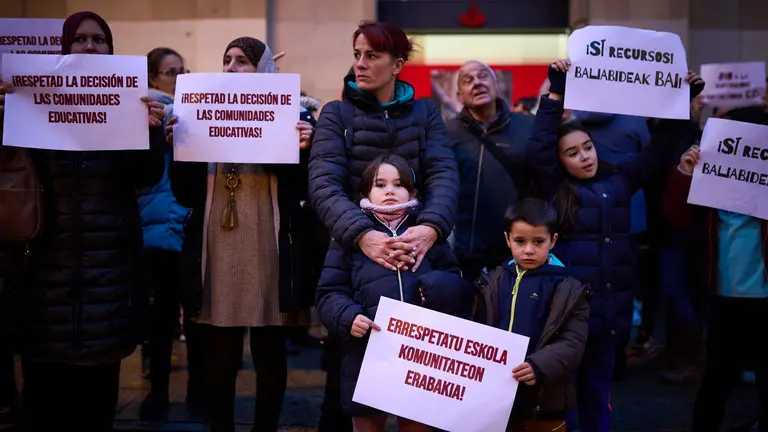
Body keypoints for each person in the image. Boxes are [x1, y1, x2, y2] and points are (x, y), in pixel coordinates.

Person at [0, 11, 166, 432]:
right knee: (42, 407)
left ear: (111, 49)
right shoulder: (29, 105)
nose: (89, 48)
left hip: (105, 283)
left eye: (99, 40)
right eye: (80, 40)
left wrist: (145, 134)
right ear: (64, 48)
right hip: (42, 279)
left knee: (95, 408)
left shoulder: (127, 105)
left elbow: (144, 179)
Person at [532, 59, 704, 432]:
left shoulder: (620, 182)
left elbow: (659, 151)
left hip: (610, 316)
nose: (585, 156)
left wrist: (681, 103)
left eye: (588, 147)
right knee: (565, 399)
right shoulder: (556, 190)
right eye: (573, 152)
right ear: (559, 161)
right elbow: (539, 147)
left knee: (599, 394)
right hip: (567, 319)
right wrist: (556, 93)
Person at [166, 36, 315, 432]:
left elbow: (301, 187)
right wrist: (179, 152)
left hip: (269, 241)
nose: (232, 68)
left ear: (263, 69)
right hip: (217, 242)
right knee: (219, 351)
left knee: (269, 350)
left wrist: (299, 147)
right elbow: (186, 195)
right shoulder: (200, 116)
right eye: (227, 60)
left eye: (243, 61)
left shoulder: (295, 116)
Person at [316, 155, 471, 432]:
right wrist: (350, 317)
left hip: (421, 360)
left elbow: (458, 286)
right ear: (366, 192)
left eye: (398, 184)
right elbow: (329, 293)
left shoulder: (427, 234)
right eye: (380, 184)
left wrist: (435, 288)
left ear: (412, 192)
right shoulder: (348, 238)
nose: (390, 190)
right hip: (365, 357)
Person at [308, 21, 459, 276]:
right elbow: (324, 184)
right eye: (357, 55)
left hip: (417, 243)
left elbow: (443, 175)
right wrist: (362, 234)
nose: (360, 63)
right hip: (353, 247)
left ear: (397, 65)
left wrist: (431, 227)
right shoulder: (336, 114)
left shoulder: (425, 113)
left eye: (372, 56)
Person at [663, 106, 768, 432]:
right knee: (717, 377)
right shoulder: (710, 181)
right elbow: (675, 216)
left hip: (764, 297)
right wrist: (685, 171)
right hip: (722, 297)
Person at [474, 198, 589, 432]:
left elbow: (573, 341)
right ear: (507, 239)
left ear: (553, 240)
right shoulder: (492, 281)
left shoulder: (568, 288)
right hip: (494, 396)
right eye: (520, 241)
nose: (529, 250)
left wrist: (538, 365)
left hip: (544, 397)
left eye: (538, 241)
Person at [137, 47, 204, 419]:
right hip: (159, 229)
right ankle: (159, 392)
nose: (178, 77)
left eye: (183, 70)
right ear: (152, 79)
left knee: (195, 318)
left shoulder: (193, 111)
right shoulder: (144, 113)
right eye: (170, 71)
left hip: (188, 226)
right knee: (161, 321)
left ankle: (195, 391)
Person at [446, 60, 534, 282]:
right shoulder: (445, 134)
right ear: (459, 95)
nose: (477, 83)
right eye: (468, 80)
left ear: (497, 85)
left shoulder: (527, 127)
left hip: (515, 250)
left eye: (483, 76)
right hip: (463, 254)